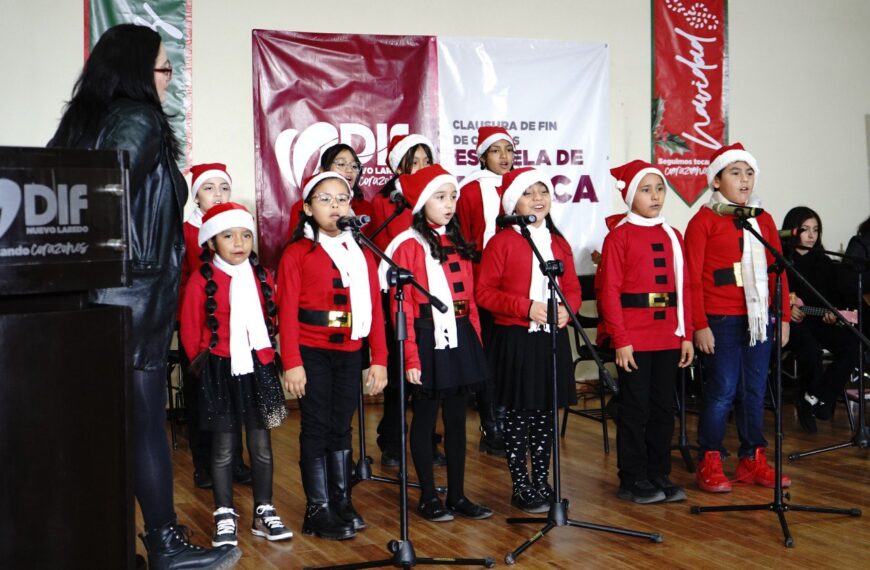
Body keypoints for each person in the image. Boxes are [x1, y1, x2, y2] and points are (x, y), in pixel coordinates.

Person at [47, 23, 239, 568]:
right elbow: (105, 202)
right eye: (162, 66)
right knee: (145, 430)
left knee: (105, 430)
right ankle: (165, 545)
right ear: (136, 71)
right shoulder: (137, 119)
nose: (169, 76)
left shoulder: (87, 121)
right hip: (129, 302)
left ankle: (103, 540)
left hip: (93, 302)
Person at [380, 164, 492, 522]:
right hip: (427, 337)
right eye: (440, 197)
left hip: (460, 335)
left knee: (458, 420)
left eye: (452, 197)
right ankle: (428, 495)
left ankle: (457, 494)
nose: (449, 204)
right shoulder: (408, 245)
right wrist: (411, 357)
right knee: (426, 418)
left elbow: (469, 300)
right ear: (422, 202)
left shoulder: (457, 242)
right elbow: (405, 308)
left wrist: (475, 341)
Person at [279, 172, 389, 540]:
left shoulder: (361, 252)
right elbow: (287, 310)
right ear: (308, 208)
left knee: (342, 424)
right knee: (316, 425)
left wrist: (380, 358)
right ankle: (318, 508)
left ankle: (341, 500)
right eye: (325, 199)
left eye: (343, 198)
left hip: (350, 351)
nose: (336, 206)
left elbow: (375, 307)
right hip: (312, 350)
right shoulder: (297, 252)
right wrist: (291, 362)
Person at [180, 202, 292, 548]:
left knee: (261, 446)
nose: (239, 242)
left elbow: (274, 317)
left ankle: (264, 510)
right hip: (219, 369)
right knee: (224, 447)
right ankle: (225, 513)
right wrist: (205, 360)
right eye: (228, 236)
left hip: (258, 368)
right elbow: (189, 329)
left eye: (245, 234)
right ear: (212, 243)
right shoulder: (202, 280)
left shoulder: (262, 276)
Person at [685, 142, 791, 493]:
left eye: (749, 173)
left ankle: (752, 459)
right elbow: (692, 278)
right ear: (716, 181)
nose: (744, 180)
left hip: (759, 318)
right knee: (722, 392)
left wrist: (785, 317)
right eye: (735, 172)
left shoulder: (763, 220)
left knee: (755, 390)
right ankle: (710, 459)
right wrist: (699, 324)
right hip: (720, 320)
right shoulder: (703, 221)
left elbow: (778, 272)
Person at [476, 167, 581, 513]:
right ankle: (520, 484)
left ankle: (542, 480)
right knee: (520, 415)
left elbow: (573, 291)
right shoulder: (502, 242)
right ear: (512, 203)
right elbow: (484, 293)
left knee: (545, 414)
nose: (538, 198)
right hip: (517, 337)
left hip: (551, 339)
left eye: (543, 191)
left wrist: (568, 310)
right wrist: (525, 307)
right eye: (528, 193)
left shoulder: (559, 243)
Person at [599, 161, 693, 503]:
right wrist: (621, 340)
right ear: (629, 195)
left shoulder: (674, 235)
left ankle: (659, 472)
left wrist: (686, 334)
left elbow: (686, 288)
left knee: (663, 407)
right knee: (635, 408)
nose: (655, 196)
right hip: (635, 336)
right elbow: (609, 292)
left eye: (659, 188)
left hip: (668, 333)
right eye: (646, 189)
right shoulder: (619, 237)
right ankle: (632, 477)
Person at [370, 134, 446, 467]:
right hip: (398, 299)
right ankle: (391, 440)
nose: (420, 167)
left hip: (431, 301)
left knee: (429, 376)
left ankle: (428, 439)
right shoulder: (385, 203)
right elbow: (385, 252)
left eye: (425, 161)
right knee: (401, 374)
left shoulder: (437, 202)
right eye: (412, 161)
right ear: (397, 166)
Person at [180, 163, 251, 490]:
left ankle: (234, 461)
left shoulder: (237, 227)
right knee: (200, 400)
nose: (218, 194)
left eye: (223, 187)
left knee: (233, 397)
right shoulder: (185, 230)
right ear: (196, 196)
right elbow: (180, 280)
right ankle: (203, 464)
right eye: (209, 188)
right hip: (200, 330)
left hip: (234, 328)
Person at [456, 126, 517, 457]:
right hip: (483, 280)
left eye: (509, 149)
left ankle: (512, 420)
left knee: (511, 354)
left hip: (516, 282)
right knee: (489, 355)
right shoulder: (469, 191)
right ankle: (492, 426)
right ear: (482, 155)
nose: (504, 157)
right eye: (497, 150)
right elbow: (463, 239)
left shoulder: (523, 186)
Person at [782, 206, 858, 432]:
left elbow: (833, 299)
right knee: (811, 350)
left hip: (818, 321)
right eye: (805, 229)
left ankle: (817, 396)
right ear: (792, 231)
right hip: (792, 324)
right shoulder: (780, 261)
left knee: (852, 344)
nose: (811, 235)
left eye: (816, 230)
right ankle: (811, 399)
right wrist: (785, 308)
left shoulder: (825, 262)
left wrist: (831, 314)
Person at [288, 144, 373, 234]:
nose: (349, 170)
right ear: (323, 171)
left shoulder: (366, 208)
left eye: (354, 166)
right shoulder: (302, 207)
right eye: (341, 164)